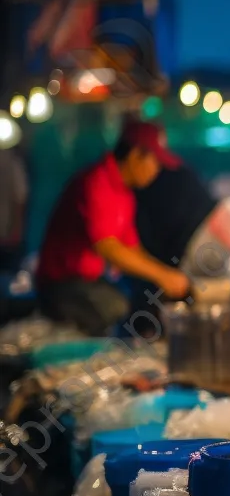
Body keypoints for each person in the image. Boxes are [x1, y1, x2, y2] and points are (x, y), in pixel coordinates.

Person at [36, 120, 191, 335]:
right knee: (113, 305)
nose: (157, 171)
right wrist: (163, 276)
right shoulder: (97, 182)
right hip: (61, 284)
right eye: (155, 162)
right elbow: (107, 246)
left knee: (134, 297)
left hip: (89, 282)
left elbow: (131, 249)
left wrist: (166, 276)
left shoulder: (124, 193)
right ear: (136, 155)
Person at [0, 145, 28, 274]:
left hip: (6, 236)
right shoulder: (11, 162)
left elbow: (19, 200)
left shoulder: (10, 162)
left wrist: (16, 232)